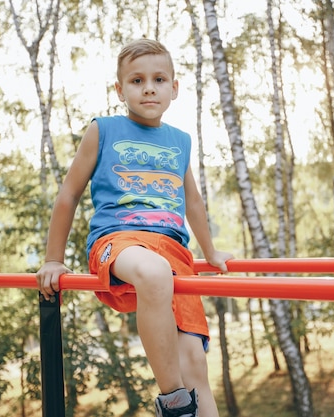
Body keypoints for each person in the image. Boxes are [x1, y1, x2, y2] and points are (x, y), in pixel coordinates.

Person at [36, 39, 233, 417]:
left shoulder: (179, 141)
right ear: (120, 89)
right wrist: (53, 259)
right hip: (118, 240)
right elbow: (68, 194)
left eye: (159, 79)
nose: (149, 88)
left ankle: (193, 401)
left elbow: (192, 201)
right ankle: (174, 403)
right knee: (152, 271)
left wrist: (210, 253)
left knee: (194, 360)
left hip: (173, 249)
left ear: (174, 88)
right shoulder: (103, 130)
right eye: (137, 80)